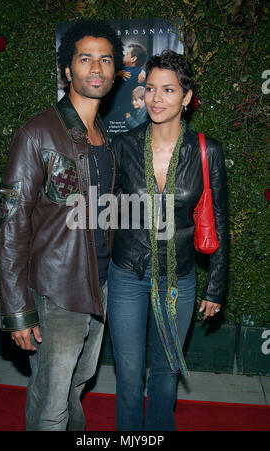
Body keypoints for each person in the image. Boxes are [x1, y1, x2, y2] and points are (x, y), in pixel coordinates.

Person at [0, 20, 123, 431]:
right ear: (67, 69)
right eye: (85, 58)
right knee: (51, 401)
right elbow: (12, 226)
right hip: (56, 290)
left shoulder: (102, 136)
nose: (96, 68)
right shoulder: (37, 133)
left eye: (105, 60)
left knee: (76, 386)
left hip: (98, 285)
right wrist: (18, 309)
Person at [107, 50, 228, 431]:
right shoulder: (123, 144)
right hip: (127, 273)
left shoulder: (207, 151)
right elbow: (103, 214)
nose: (156, 98)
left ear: (187, 97)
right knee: (128, 378)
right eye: (150, 88)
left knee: (164, 375)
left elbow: (219, 221)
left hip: (180, 279)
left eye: (169, 89)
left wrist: (216, 287)